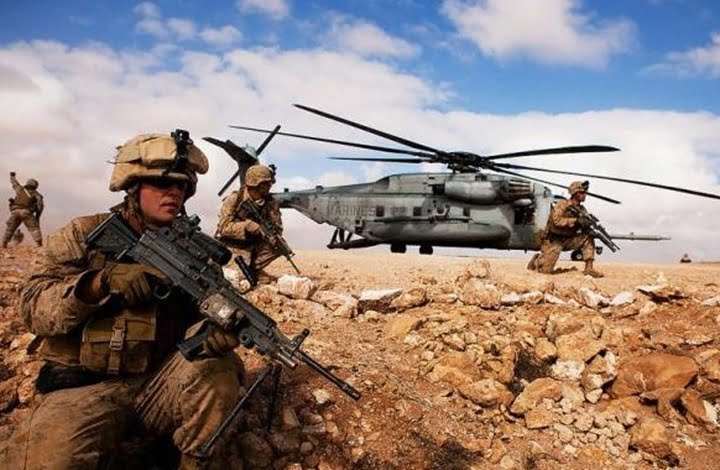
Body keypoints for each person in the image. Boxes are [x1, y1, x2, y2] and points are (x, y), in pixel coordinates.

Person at [2, 132, 243, 469]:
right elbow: (32, 308)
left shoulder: (197, 254)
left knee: (219, 369)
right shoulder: (83, 235)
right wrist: (98, 284)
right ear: (133, 186)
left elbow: (205, 319)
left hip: (160, 387)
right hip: (84, 391)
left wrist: (213, 335)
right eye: (162, 183)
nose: (174, 192)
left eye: (182, 186)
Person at [215, 164, 283, 283]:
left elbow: (278, 227)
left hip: (253, 243)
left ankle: (253, 269)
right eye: (266, 183)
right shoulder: (235, 198)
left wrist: (270, 233)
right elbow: (223, 228)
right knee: (234, 276)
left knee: (278, 244)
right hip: (231, 243)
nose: (270, 186)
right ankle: (245, 270)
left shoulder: (270, 203)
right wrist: (247, 226)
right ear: (257, 184)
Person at [528, 180, 604, 278]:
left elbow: (583, 226)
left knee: (588, 237)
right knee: (545, 272)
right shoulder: (562, 204)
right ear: (575, 193)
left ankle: (589, 268)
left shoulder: (582, 210)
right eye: (581, 192)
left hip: (568, 239)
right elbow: (556, 221)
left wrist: (590, 228)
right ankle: (536, 260)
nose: (584, 195)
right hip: (553, 240)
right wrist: (576, 221)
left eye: (585, 193)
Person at [2, 172, 44, 247]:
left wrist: (12, 176)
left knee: (10, 228)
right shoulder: (36, 194)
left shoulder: (20, 189)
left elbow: (14, 183)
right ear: (35, 186)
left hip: (15, 211)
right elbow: (40, 205)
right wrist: (37, 217)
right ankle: (39, 244)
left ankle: (4, 243)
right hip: (26, 212)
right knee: (34, 228)